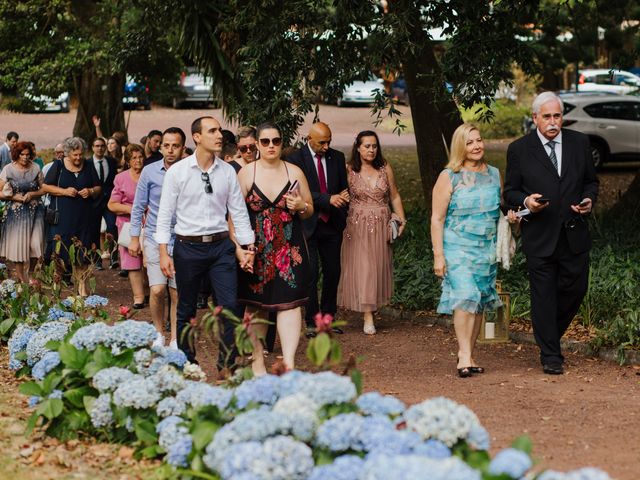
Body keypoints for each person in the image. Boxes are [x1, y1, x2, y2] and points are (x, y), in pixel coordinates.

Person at [504, 91, 599, 375]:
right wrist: (526, 202)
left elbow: (590, 183)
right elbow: (509, 192)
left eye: (557, 115)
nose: (553, 121)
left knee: (576, 289)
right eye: (547, 116)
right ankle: (550, 355)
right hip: (540, 236)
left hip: (573, 233)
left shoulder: (579, 143)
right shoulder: (519, 149)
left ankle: (546, 335)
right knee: (543, 296)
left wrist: (589, 200)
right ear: (535, 118)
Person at [156, 116, 255, 369]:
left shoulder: (228, 172)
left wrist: (246, 247)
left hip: (222, 247)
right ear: (197, 137)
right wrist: (164, 252)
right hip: (187, 247)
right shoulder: (178, 172)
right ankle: (187, 362)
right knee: (186, 308)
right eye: (212, 131)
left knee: (229, 307)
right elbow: (165, 213)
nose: (220, 135)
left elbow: (238, 212)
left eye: (220, 130)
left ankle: (227, 364)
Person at [431, 123, 519, 378]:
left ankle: (469, 353)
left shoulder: (494, 173)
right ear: (460, 146)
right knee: (466, 296)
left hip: (486, 249)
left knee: (479, 300)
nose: (476, 146)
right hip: (457, 247)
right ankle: (463, 354)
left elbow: (501, 210)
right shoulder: (449, 176)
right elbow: (437, 218)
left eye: (479, 140)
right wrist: (439, 255)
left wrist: (511, 218)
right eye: (469, 142)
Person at [237, 122, 313, 374]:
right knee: (256, 305)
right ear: (257, 144)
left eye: (276, 141)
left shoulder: (294, 172)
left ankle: (289, 363)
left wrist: (301, 204)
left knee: (289, 304)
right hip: (256, 249)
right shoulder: (248, 173)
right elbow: (234, 214)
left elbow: (309, 210)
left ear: (282, 143)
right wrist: (240, 248)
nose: (271, 146)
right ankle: (258, 364)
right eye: (266, 141)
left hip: (288, 248)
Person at [338, 130, 406, 335]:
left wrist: (401, 219)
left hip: (381, 224)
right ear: (357, 147)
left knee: (377, 267)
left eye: (374, 146)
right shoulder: (349, 170)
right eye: (367, 146)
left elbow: (394, 195)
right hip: (358, 225)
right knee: (364, 268)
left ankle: (372, 309)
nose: (371, 150)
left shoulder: (385, 168)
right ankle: (368, 317)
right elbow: (340, 196)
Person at [288, 122, 349, 338]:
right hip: (308, 222)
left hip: (332, 224)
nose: (326, 146)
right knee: (311, 274)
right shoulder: (295, 159)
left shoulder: (337, 157)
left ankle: (329, 318)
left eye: (329, 141)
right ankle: (312, 321)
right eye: (322, 142)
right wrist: (327, 199)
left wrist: (343, 199)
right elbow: (296, 192)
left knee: (333, 272)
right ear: (309, 139)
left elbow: (343, 189)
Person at [129, 128, 186, 350]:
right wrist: (135, 238)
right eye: (166, 145)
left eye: (175, 145)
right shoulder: (150, 171)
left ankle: (175, 338)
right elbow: (138, 206)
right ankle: (158, 332)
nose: (170, 150)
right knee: (157, 290)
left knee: (176, 291)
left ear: (183, 148)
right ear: (160, 146)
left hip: (182, 236)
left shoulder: (188, 171)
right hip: (154, 236)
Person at [43, 137, 101, 296]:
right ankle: (57, 289)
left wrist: (90, 191)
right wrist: (64, 191)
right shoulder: (59, 165)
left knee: (82, 254)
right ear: (68, 153)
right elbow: (45, 186)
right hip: (63, 218)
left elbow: (98, 187)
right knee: (60, 254)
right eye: (75, 155)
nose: (78, 158)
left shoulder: (88, 165)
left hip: (84, 217)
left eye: (80, 154)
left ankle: (82, 290)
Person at [0, 141, 45, 282]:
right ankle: (22, 279)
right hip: (16, 213)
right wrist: (15, 197)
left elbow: (44, 189)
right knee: (19, 247)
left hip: (35, 210)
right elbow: (0, 192)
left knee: (35, 244)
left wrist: (32, 194)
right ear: (16, 155)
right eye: (22, 154)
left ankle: (30, 273)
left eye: (27, 154)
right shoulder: (8, 169)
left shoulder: (36, 167)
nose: (25, 157)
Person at [108, 144, 146, 308]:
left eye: (140, 157)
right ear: (128, 161)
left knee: (149, 258)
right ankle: (139, 297)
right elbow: (112, 204)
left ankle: (153, 290)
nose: (138, 160)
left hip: (149, 222)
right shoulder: (121, 178)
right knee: (132, 259)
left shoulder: (150, 174)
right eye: (134, 158)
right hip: (127, 224)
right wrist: (132, 209)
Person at [88, 137, 118, 270]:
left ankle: (113, 257)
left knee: (112, 227)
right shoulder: (87, 163)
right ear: (92, 147)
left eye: (102, 146)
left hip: (109, 202)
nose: (99, 148)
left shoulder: (111, 162)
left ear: (105, 147)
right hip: (93, 202)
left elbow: (115, 180)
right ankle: (97, 261)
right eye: (97, 146)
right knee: (94, 231)